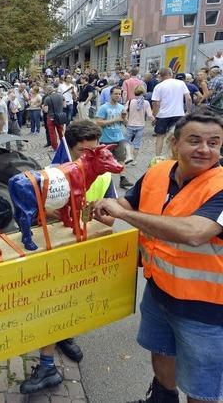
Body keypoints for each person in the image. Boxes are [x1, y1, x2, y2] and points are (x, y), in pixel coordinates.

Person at [94, 108, 223, 403]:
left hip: (206, 309)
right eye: (194, 140)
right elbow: (129, 202)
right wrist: (106, 207)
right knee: (161, 351)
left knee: (200, 387)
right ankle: (162, 398)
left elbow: (194, 232)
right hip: (158, 291)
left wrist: (126, 215)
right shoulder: (157, 171)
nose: (205, 149)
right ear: (174, 144)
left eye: (214, 143)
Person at [20, 120, 117, 395]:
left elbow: (113, 209)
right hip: (57, 247)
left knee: (74, 298)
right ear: (69, 148)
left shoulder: (103, 173)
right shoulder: (54, 173)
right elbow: (39, 210)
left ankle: (65, 333)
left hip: (85, 247)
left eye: (95, 149)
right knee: (52, 302)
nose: (92, 156)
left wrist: (104, 212)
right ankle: (47, 365)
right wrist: (63, 210)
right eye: (85, 152)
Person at [95, 86, 133, 189]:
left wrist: (124, 118)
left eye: (119, 94)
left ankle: (123, 179)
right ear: (110, 94)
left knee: (121, 159)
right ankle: (104, 181)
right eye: (116, 94)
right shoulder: (104, 107)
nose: (118, 96)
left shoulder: (121, 107)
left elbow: (126, 123)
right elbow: (98, 122)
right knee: (104, 161)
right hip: (105, 139)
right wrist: (116, 119)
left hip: (119, 138)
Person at [151, 68, 191, 156]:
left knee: (160, 136)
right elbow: (188, 98)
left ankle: (158, 157)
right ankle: (174, 155)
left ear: (160, 76)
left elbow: (156, 103)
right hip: (178, 113)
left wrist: (154, 116)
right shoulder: (180, 83)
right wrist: (188, 111)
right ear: (171, 74)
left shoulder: (158, 86)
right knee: (176, 136)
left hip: (163, 115)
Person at [124, 84, 154, 166]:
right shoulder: (146, 103)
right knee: (136, 144)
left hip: (130, 124)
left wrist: (125, 119)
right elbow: (150, 115)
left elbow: (124, 111)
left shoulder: (130, 102)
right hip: (140, 125)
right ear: (143, 92)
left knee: (126, 141)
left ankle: (129, 156)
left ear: (135, 92)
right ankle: (134, 161)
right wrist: (154, 120)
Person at [42, 85, 66, 150]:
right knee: (61, 131)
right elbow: (64, 105)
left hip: (51, 117)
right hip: (60, 116)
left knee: (52, 133)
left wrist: (43, 107)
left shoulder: (47, 98)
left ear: (49, 91)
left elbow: (46, 110)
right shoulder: (61, 96)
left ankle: (55, 147)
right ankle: (64, 145)